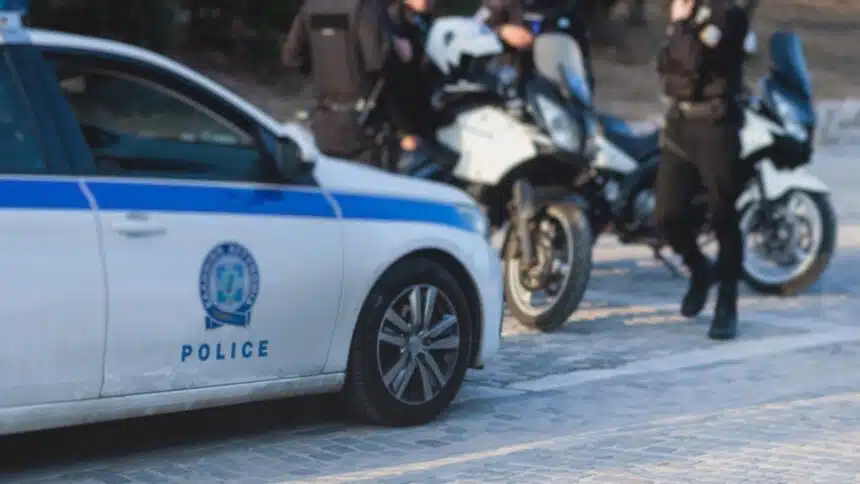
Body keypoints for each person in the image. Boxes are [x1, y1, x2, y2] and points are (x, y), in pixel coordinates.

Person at [653, 0, 749, 340]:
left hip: (715, 126)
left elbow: (692, 61)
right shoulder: (684, 11)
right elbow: (664, 65)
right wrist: (680, 27)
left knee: (724, 215)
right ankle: (699, 269)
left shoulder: (725, 13)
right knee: (666, 216)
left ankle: (727, 301)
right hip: (679, 125)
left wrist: (680, 26)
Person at [281, 0, 389, 166]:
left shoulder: (311, 6)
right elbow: (376, 61)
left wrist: (319, 69)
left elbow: (291, 57)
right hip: (361, 123)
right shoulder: (366, 6)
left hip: (323, 118)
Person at [385, 0, 438, 163]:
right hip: (407, 121)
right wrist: (404, 131)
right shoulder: (395, 19)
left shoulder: (422, 18)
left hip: (425, 111)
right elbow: (393, 84)